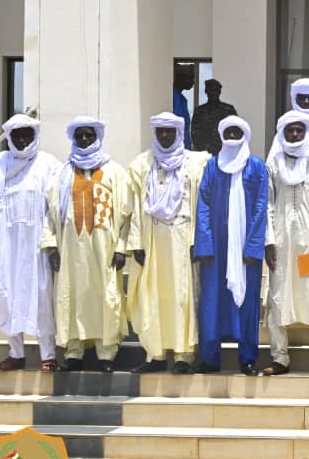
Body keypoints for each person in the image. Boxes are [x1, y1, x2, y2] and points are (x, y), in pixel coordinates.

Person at [42, 117, 134, 372]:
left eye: (89, 136)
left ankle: (106, 354)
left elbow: (127, 214)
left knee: (106, 297)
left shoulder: (115, 171)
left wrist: (121, 248)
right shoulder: (62, 174)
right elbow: (50, 213)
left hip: (104, 251)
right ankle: (74, 353)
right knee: (71, 298)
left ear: (97, 138)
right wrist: (51, 246)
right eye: (79, 136)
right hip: (70, 251)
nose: (84, 140)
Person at [0, 115, 61, 371]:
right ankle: (16, 353)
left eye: (27, 135)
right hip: (6, 244)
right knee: (8, 294)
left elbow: (54, 208)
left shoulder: (48, 164)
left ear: (35, 136)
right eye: (17, 136)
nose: (22, 141)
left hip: (37, 244)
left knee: (41, 296)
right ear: (9, 138)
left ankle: (48, 354)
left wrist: (53, 242)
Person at [127, 112, 211, 374]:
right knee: (153, 298)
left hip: (183, 239)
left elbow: (204, 205)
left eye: (170, 131)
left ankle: (184, 355)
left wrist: (200, 240)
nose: (165, 136)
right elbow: (132, 207)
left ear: (179, 133)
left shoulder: (196, 162)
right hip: (152, 241)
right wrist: (136, 243)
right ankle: (156, 355)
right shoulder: (141, 164)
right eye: (161, 131)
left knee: (183, 298)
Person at [192, 116, 268, 375]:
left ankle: (247, 358)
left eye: (238, 132)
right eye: (229, 132)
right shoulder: (213, 166)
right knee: (212, 301)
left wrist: (253, 247)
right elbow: (203, 204)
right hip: (216, 248)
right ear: (222, 135)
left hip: (246, 249)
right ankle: (210, 357)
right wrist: (204, 245)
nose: (233, 136)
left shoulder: (256, 167)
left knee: (247, 304)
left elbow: (261, 208)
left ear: (245, 135)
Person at [262, 111, 309, 376]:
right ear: (282, 133)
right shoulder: (273, 164)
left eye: (300, 130)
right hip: (280, 242)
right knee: (277, 297)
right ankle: (280, 357)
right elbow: (267, 203)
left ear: (306, 133)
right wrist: (268, 241)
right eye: (290, 130)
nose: (295, 135)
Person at [191, 78, 237, 155]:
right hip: (204, 153)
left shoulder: (228, 109)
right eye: (210, 90)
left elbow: (235, 130)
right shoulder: (199, 111)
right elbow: (194, 133)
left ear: (219, 92)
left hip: (225, 151)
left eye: (215, 90)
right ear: (206, 92)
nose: (213, 93)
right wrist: (203, 149)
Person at [172, 67, 194, 149]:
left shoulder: (182, 99)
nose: (193, 82)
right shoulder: (173, 97)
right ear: (182, 78)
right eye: (191, 78)